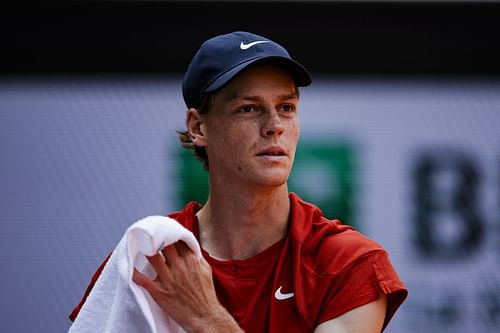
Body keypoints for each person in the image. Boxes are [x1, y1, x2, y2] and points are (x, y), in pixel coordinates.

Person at [69, 31, 408, 332]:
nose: (274, 125)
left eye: (286, 107)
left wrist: (208, 321)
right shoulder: (150, 256)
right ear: (198, 127)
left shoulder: (349, 264)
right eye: (249, 109)